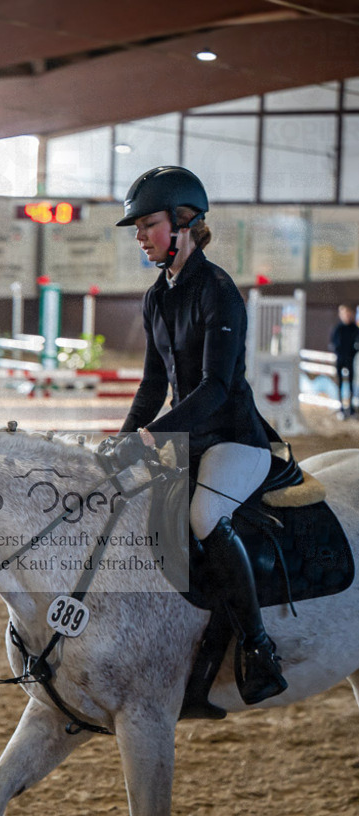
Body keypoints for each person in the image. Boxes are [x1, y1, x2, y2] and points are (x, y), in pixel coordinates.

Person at [110, 165, 287, 706]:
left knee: (204, 517)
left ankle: (258, 649)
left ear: (184, 222)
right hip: (187, 437)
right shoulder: (156, 295)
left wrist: (153, 437)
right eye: (138, 227)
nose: (140, 236)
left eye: (147, 225)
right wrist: (119, 442)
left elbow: (214, 388)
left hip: (236, 438)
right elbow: (151, 385)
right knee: (131, 509)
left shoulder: (219, 291)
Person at [329, 303, 359, 417]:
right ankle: (341, 407)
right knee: (340, 383)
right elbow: (333, 343)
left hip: (350, 359)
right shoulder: (338, 328)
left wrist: (352, 352)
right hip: (340, 359)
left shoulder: (355, 329)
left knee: (351, 383)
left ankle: (350, 408)